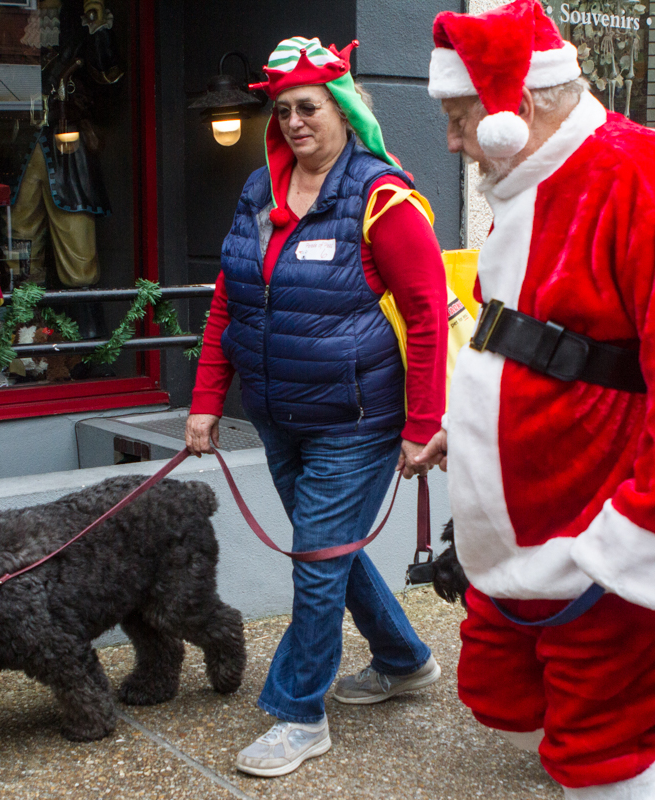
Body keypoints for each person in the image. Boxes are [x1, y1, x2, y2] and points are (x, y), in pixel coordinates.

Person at [414, 4, 655, 800]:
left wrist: (649, 533)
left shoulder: (646, 180)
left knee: (607, 737)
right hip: (535, 524)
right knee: (512, 695)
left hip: (607, 526)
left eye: (461, 121)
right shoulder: (535, 177)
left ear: (517, 110)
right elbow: (522, 338)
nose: (455, 143)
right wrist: (466, 432)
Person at [184, 36, 449, 778]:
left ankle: (298, 712)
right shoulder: (258, 192)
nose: (295, 122)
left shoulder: (381, 196)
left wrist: (424, 424)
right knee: (328, 548)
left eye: (309, 107)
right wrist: (206, 401)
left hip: (356, 420)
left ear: (343, 109)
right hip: (276, 414)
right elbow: (228, 303)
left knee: (315, 561)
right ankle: (404, 659)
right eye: (284, 110)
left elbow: (427, 315)